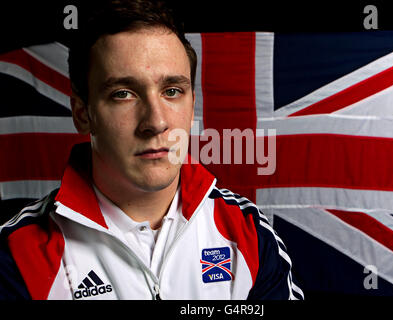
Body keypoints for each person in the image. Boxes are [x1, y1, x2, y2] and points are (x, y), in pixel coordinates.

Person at [0, 0, 303, 300]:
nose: (156, 122)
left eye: (172, 91)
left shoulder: (249, 232)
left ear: (192, 104)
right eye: (123, 94)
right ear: (82, 113)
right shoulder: (17, 253)